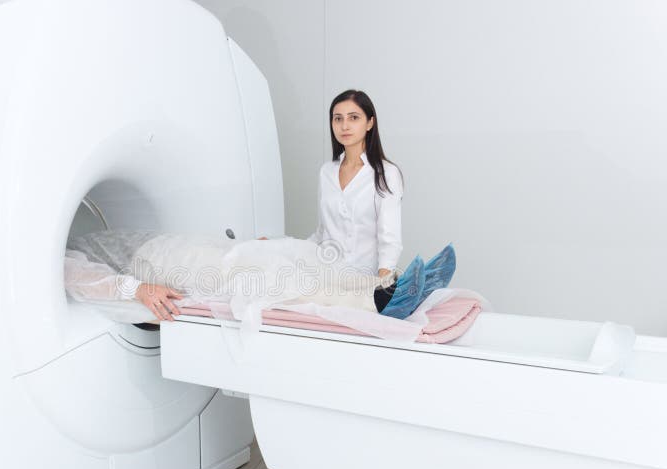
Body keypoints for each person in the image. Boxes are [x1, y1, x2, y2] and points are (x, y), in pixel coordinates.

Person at [64, 230, 456, 322]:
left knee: (284, 255)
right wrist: (138, 289)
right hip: (153, 265)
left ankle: (386, 286)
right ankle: (381, 300)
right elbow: (80, 277)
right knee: (261, 277)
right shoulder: (55, 253)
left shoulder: (77, 232)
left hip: (169, 251)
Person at [308, 89, 403, 279]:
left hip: (364, 279)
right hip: (325, 276)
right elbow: (322, 233)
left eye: (353, 118)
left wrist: (381, 285)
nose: (344, 126)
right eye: (338, 119)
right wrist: (279, 247)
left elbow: (389, 238)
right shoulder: (326, 172)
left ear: (369, 123)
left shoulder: (385, 174)